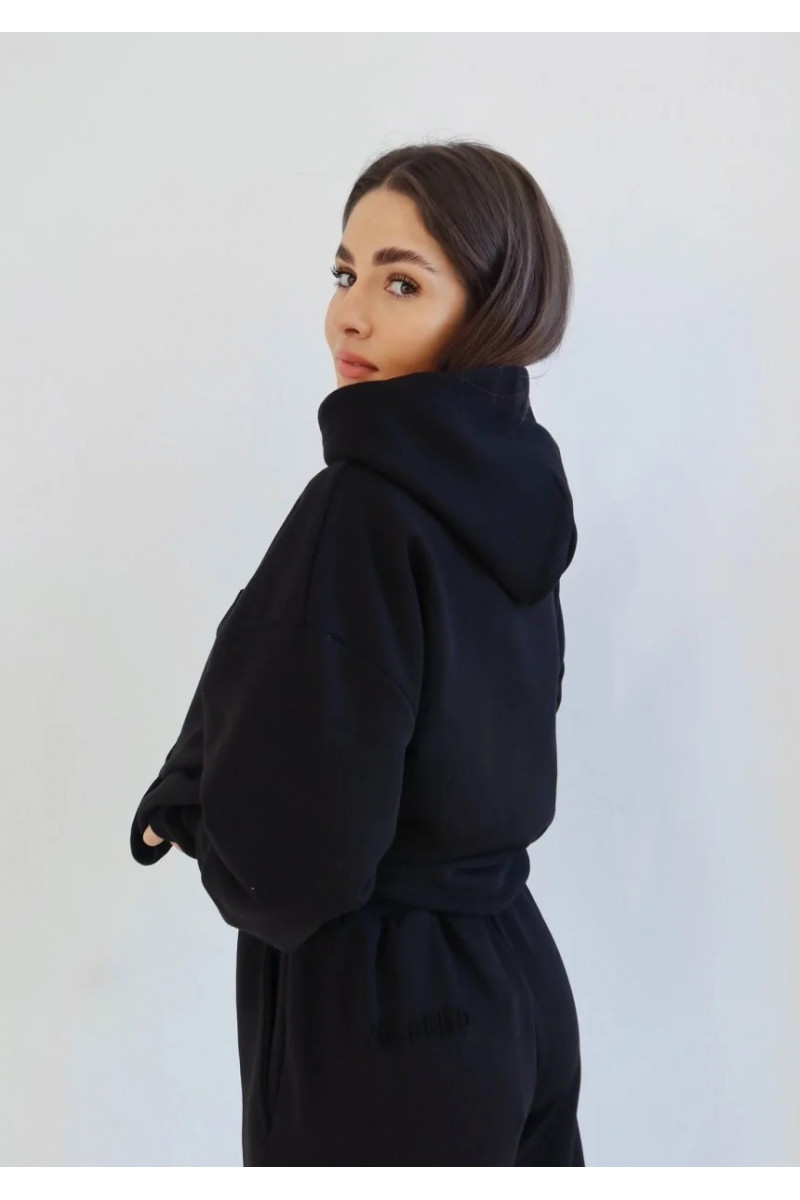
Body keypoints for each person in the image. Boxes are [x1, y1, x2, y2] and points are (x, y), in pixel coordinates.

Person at [130, 139, 584, 1167]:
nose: (350, 315)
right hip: (516, 981)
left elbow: (292, 863)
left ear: (488, 309)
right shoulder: (520, 494)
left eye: (401, 281)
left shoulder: (361, 511)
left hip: (384, 1027)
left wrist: (194, 811)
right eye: (345, 274)